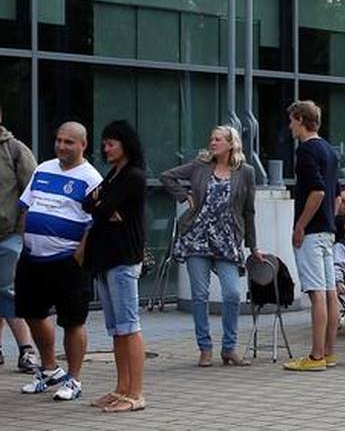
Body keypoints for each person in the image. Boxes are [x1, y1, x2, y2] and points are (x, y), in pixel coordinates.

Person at [161, 124, 260, 367]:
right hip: (197, 237)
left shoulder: (246, 172)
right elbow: (167, 176)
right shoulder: (200, 165)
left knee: (232, 293)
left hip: (227, 240)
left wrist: (253, 245)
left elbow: (249, 211)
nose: (213, 143)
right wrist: (185, 196)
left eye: (218, 139)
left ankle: (229, 348)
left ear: (231, 144)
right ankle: (204, 348)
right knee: (200, 295)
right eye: (212, 139)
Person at [16, 122, 101, 400]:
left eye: (68, 142)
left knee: (72, 321)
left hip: (67, 261)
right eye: (59, 140)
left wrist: (79, 255)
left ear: (83, 145)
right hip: (32, 258)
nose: (61, 146)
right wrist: (26, 238)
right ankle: (50, 369)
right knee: (32, 313)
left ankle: (74, 379)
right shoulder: (43, 169)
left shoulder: (91, 179)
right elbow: (27, 205)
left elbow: (95, 223)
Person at [81, 121, 148, 413]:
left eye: (111, 144)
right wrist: (103, 206)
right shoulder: (113, 174)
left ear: (125, 145)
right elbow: (88, 204)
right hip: (105, 258)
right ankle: (121, 388)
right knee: (117, 329)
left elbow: (103, 208)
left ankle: (136, 393)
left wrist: (104, 206)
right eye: (104, 144)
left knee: (129, 326)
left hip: (123, 258)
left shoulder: (133, 176)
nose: (106, 149)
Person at [284, 100, 341, 372]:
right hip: (328, 230)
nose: (290, 126)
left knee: (316, 293)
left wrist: (300, 226)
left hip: (312, 232)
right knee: (330, 292)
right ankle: (328, 352)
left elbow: (317, 191)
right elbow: (336, 194)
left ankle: (316, 356)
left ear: (300, 120)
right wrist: (330, 218)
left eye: (292, 120)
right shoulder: (329, 150)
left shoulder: (305, 150)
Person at [0, 106, 37, 373]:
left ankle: (27, 349)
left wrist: (22, 231)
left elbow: (33, 191)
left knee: (6, 290)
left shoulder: (14, 149)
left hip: (9, 236)